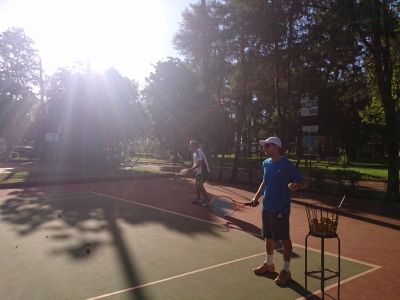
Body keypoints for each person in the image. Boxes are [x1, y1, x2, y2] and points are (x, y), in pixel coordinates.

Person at [250, 136, 304, 285]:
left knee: (284, 239)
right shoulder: (266, 163)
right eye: (264, 145)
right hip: (266, 207)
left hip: (281, 208)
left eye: (267, 145)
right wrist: (256, 197)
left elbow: (301, 182)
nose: (265, 148)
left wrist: (296, 185)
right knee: (268, 237)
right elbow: (265, 181)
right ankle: (269, 264)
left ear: (276, 147)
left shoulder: (287, 165)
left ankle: (286, 271)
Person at [189, 140, 210, 206]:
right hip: (199, 172)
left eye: (192, 145)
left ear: (196, 146)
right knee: (196, 185)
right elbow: (195, 163)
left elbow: (200, 163)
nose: (190, 146)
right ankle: (199, 199)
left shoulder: (198, 152)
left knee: (200, 186)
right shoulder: (194, 153)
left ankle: (207, 201)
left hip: (203, 171)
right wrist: (193, 169)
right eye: (190, 145)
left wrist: (191, 169)